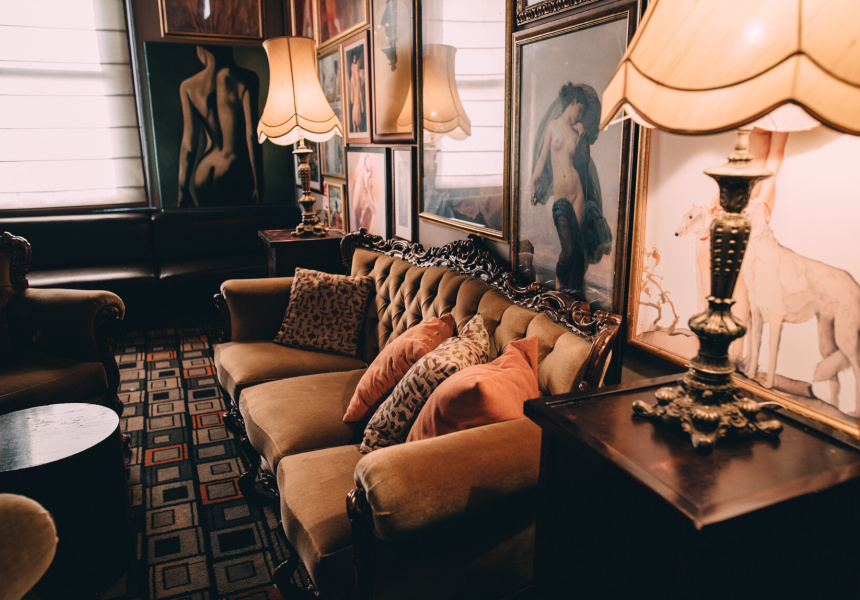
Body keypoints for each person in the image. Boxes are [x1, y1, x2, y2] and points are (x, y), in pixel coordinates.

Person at [529, 83, 612, 299]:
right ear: (573, 103)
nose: (580, 116)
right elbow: (542, 158)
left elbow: (583, 163)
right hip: (562, 196)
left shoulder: (576, 132)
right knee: (567, 249)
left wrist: (583, 137)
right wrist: (533, 183)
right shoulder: (552, 127)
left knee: (579, 247)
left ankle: (574, 292)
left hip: (578, 194)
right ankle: (560, 278)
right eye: (580, 110)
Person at [177, 45, 262, 207]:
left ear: (202, 49)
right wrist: (259, 185)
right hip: (233, 169)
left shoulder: (188, 86)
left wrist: (182, 190)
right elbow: (252, 135)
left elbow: (188, 146)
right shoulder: (246, 79)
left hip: (203, 171)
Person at [350, 154, 379, 233]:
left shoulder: (371, 177)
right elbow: (364, 196)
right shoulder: (362, 177)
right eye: (369, 162)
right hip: (361, 207)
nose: (371, 164)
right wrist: (374, 208)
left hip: (367, 209)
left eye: (371, 162)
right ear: (365, 163)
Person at [348, 50, 366, 133]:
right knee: (355, 100)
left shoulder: (360, 58)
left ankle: (358, 127)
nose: (354, 58)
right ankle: (355, 128)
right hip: (354, 81)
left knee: (358, 99)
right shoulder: (352, 61)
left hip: (357, 80)